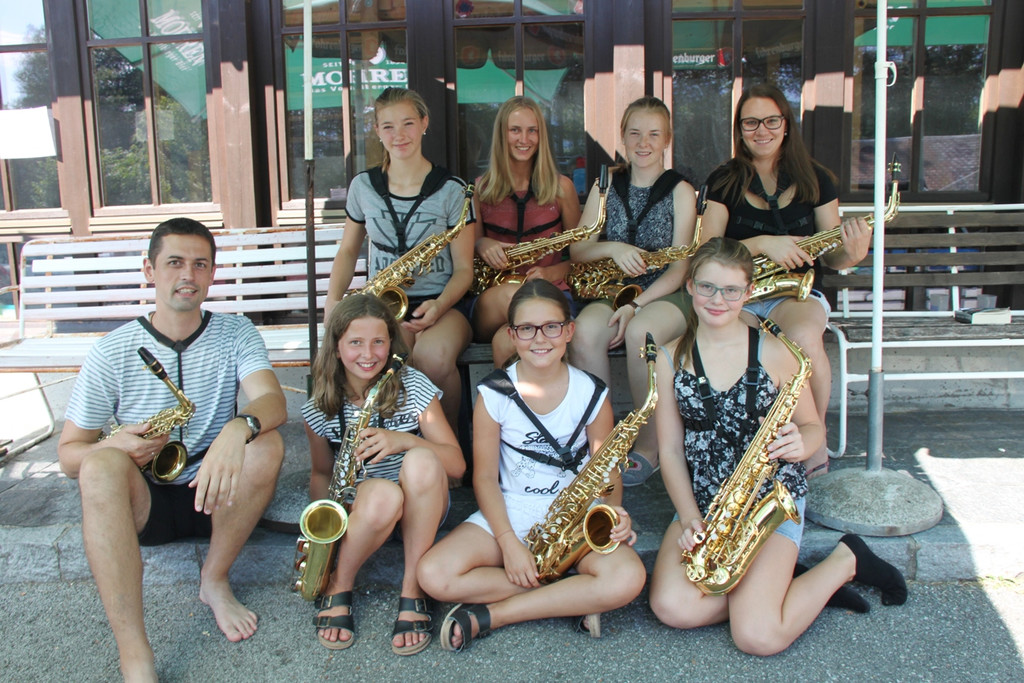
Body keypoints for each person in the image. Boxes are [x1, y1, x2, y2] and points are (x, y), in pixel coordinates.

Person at [648, 237, 907, 656]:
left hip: (770, 499)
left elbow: (812, 427)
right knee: (673, 608)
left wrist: (800, 441)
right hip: (707, 503)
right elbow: (672, 451)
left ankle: (845, 561)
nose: (718, 299)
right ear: (691, 287)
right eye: (708, 287)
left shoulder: (775, 351)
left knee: (758, 637)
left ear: (748, 293)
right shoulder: (668, 358)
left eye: (731, 290)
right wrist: (689, 516)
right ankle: (780, 591)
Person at [57, 218, 287, 682]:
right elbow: (68, 455)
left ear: (212, 274)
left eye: (200, 264)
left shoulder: (236, 332)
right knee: (98, 464)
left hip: (216, 492)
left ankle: (214, 579)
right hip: (147, 503)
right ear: (149, 270)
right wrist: (114, 444)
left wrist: (237, 428)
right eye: (175, 263)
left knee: (267, 442)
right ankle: (136, 654)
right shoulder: (111, 351)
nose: (188, 275)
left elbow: (272, 401)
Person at [417, 279, 646, 651]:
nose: (540, 338)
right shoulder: (494, 394)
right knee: (433, 575)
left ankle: (494, 614)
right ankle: (572, 595)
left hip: (576, 520)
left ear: (569, 331)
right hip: (511, 511)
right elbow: (486, 479)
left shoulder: (593, 393)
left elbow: (606, 471)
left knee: (628, 577)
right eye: (526, 328)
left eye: (551, 326)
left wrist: (614, 511)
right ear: (512, 334)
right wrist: (508, 543)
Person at [702, 83, 872, 477]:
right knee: (736, 345)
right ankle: (744, 446)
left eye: (771, 120)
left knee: (805, 341)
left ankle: (814, 441)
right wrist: (762, 243)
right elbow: (709, 251)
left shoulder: (816, 179)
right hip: (738, 297)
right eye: (750, 122)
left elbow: (833, 253)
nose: (761, 130)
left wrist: (854, 253)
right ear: (739, 130)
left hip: (796, 294)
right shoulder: (724, 180)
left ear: (786, 124)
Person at [303, 293, 465, 654]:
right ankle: (339, 584)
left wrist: (403, 440)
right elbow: (320, 473)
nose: (368, 354)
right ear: (336, 345)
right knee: (382, 494)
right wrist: (322, 535)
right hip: (368, 513)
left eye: (378, 341)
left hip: (421, 510)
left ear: (392, 343)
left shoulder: (415, 387)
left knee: (422, 461)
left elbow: (455, 464)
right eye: (355, 343)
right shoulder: (320, 406)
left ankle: (413, 588)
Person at [326, 87, 476, 431]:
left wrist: (438, 305)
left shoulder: (453, 189)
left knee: (432, 358)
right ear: (376, 130)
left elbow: (464, 269)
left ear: (424, 123)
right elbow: (348, 250)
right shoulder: (363, 186)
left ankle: (450, 447)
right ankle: (399, 451)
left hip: (445, 304)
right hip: (383, 305)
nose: (399, 135)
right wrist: (333, 301)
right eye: (388, 126)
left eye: (408, 123)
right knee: (391, 363)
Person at [569, 96, 698, 487]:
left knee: (642, 333)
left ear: (667, 140)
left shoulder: (680, 191)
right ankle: (602, 441)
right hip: (611, 288)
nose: (644, 142)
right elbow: (579, 248)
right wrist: (613, 247)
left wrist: (636, 304)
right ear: (623, 138)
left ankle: (649, 445)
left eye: (653, 134)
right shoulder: (605, 185)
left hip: (664, 293)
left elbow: (680, 269)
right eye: (635, 133)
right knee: (587, 332)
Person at [472, 95, 582, 367]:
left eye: (532, 130)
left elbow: (581, 258)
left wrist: (548, 274)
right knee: (514, 295)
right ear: (502, 134)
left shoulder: (561, 188)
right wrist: (481, 243)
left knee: (503, 343)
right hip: (495, 298)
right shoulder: (479, 190)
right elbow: (467, 257)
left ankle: (526, 407)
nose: (525, 139)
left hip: (551, 292)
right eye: (515, 130)